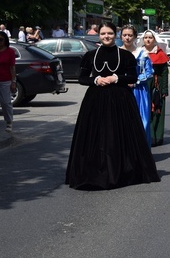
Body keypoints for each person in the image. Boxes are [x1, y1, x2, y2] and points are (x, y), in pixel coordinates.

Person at [65, 21, 159, 189]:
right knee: (96, 136)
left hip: (120, 100)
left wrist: (116, 78)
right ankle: (95, 171)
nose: (106, 36)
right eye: (103, 34)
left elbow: (132, 77)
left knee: (117, 135)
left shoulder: (125, 56)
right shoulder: (90, 55)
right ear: (99, 35)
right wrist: (96, 79)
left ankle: (121, 171)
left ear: (115, 35)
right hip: (95, 100)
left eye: (109, 33)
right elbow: (82, 78)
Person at [121, 25, 154, 146]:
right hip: (121, 90)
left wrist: (135, 81)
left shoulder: (142, 53)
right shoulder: (117, 53)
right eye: (125, 35)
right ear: (121, 36)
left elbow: (149, 72)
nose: (127, 38)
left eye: (130, 35)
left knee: (141, 121)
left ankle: (142, 152)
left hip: (139, 91)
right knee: (123, 122)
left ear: (135, 37)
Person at [143, 30, 169, 146]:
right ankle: (145, 135)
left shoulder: (160, 53)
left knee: (158, 110)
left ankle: (157, 136)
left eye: (150, 37)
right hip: (143, 85)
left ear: (154, 39)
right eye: (146, 37)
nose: (148, 40)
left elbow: (164, 72)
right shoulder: (139, 52)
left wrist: (164, 89)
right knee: (144, 111)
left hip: (156, 85)